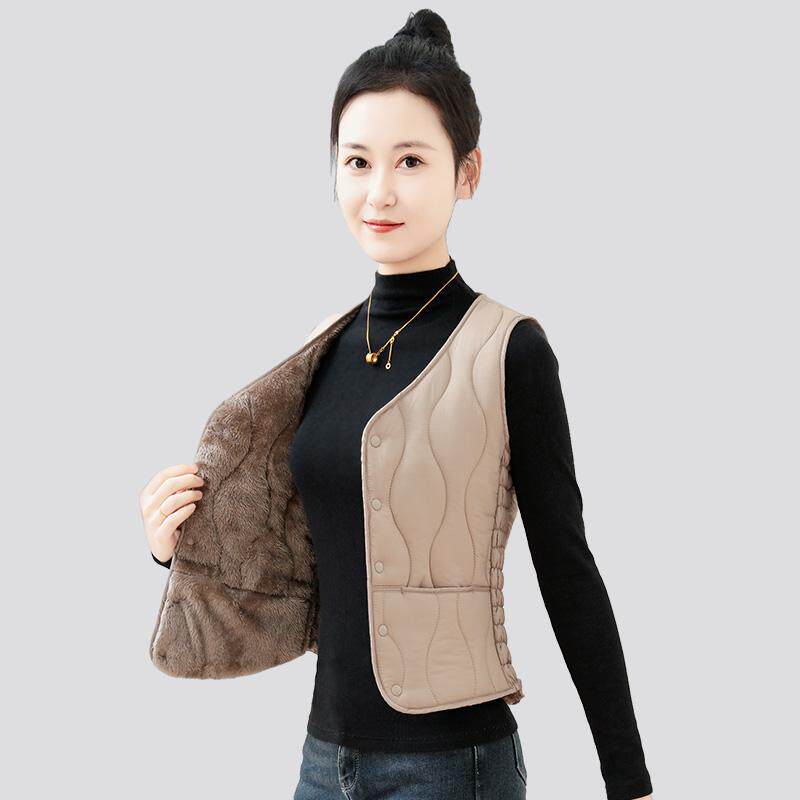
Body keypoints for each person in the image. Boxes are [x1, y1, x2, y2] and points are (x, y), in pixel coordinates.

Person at [140, 9, 654, 800]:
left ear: (467, 173)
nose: (379, 191)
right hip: (324, 760)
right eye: (357, 162)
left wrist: (628, 777)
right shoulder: (321, 352)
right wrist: (177, 545)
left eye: (411, 161)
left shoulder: (509, 349)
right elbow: (296, 560)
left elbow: (567, 566)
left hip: (453, 765)